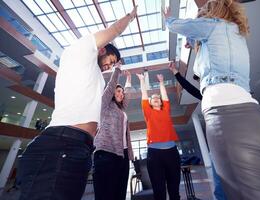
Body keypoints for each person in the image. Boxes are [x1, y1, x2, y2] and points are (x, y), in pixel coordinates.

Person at [163, 1, 260, 200]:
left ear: (209, 12)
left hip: (230, 123)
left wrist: (167, 18)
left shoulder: (212, 25)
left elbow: (176, 25)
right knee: (223, 192)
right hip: (254, 120)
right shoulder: (236, 32)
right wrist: (194, 41)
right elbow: (215, 54)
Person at [17, 6, 137, 200]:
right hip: (61, 143)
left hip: (80, 147)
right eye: (111, 59)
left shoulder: (96, 77)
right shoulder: (79, 51)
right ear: (102, 49)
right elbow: (114, 30)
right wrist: (130, 17)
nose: (110, 65)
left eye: (113, 64)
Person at [169, 61, 227, 200]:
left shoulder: (224, 92)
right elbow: (189, 88)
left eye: (202, 79)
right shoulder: (205, 96)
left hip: (230, 138)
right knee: (219, 183)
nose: (201, 83)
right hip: (217, 143)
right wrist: (176, 73)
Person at [136, 73, 180, 200]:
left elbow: (165, 97)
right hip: (154, 155)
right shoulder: (148, 112)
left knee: (174, 188)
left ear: (161, 102)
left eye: (158, 98)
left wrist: (161, 82)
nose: (156, 98)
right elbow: (144, 95)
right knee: (159, 189)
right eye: (153, 98)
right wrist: (142, 81)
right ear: (149, 103)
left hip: (172, 153)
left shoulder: (166, 110)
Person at [93, 65, 134, 200]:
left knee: (120, 193)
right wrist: (117, 70)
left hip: (122, 155)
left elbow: (127, 96)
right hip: (106, 153)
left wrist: (129, 79)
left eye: (122, 93)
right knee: (105, 194)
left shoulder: (121, 110)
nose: (121, 94)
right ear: (112, 94)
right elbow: (111, 87)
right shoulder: (105, 105)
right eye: (118, 92)